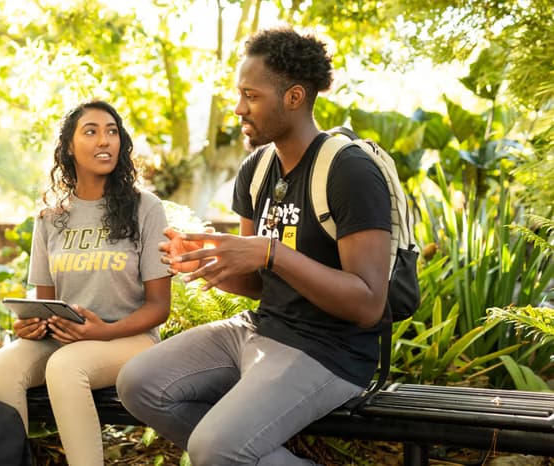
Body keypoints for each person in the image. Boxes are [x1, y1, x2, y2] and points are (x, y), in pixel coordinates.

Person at [117, 26, 392, 465]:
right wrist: (210, 265)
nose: (239, 108)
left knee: (213, 448)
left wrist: (271, 252)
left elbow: (367, 304)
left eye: (251, 95)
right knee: (138, 383)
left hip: (330, 352)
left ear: (295, 97)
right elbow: (260, 283)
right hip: (261, 329)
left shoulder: (349, 170)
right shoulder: (257, 169)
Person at [0, 100, 171, 466]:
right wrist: (33, 325)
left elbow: (159, 308)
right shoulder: (51, 217)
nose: (105, 141)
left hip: (128, 338)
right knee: (5, 366)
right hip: (67, 338)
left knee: (66, 366)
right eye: (91, 132)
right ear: (68, 147)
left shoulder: (145, 208)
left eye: (112, 131)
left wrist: (102, 332)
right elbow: (46, 303)